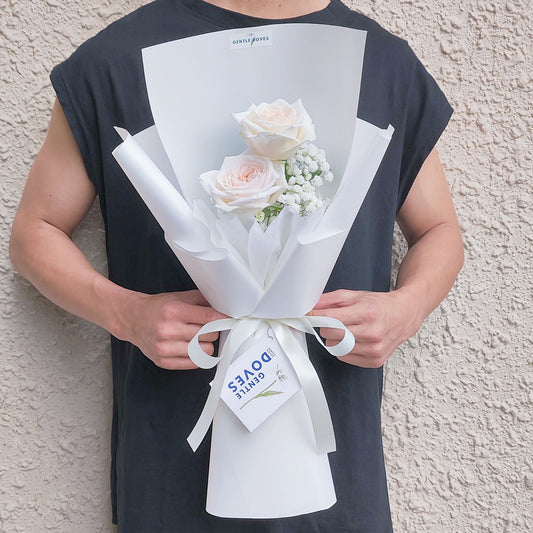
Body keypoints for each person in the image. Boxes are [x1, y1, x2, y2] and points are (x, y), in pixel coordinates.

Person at [9, 0, 464, 531]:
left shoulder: (381, 63)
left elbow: (439, 230)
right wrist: (125, 314)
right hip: (173, 461)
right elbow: (33, 234)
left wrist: (405, 309)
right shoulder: (118, 60)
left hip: (334, 453)